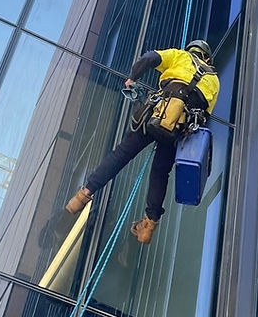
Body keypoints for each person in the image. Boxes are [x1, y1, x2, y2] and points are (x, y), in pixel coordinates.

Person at [65, 40, 220, 244]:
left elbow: (149, 58)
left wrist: (132, 78)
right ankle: (148, 226)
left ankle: (82, 196)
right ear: (207, 58)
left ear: (191, 51)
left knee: (121, 155)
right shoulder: (214, 81)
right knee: (160, 173)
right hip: (178, 131)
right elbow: (205, 117)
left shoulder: (180, 56)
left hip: (155, 117)